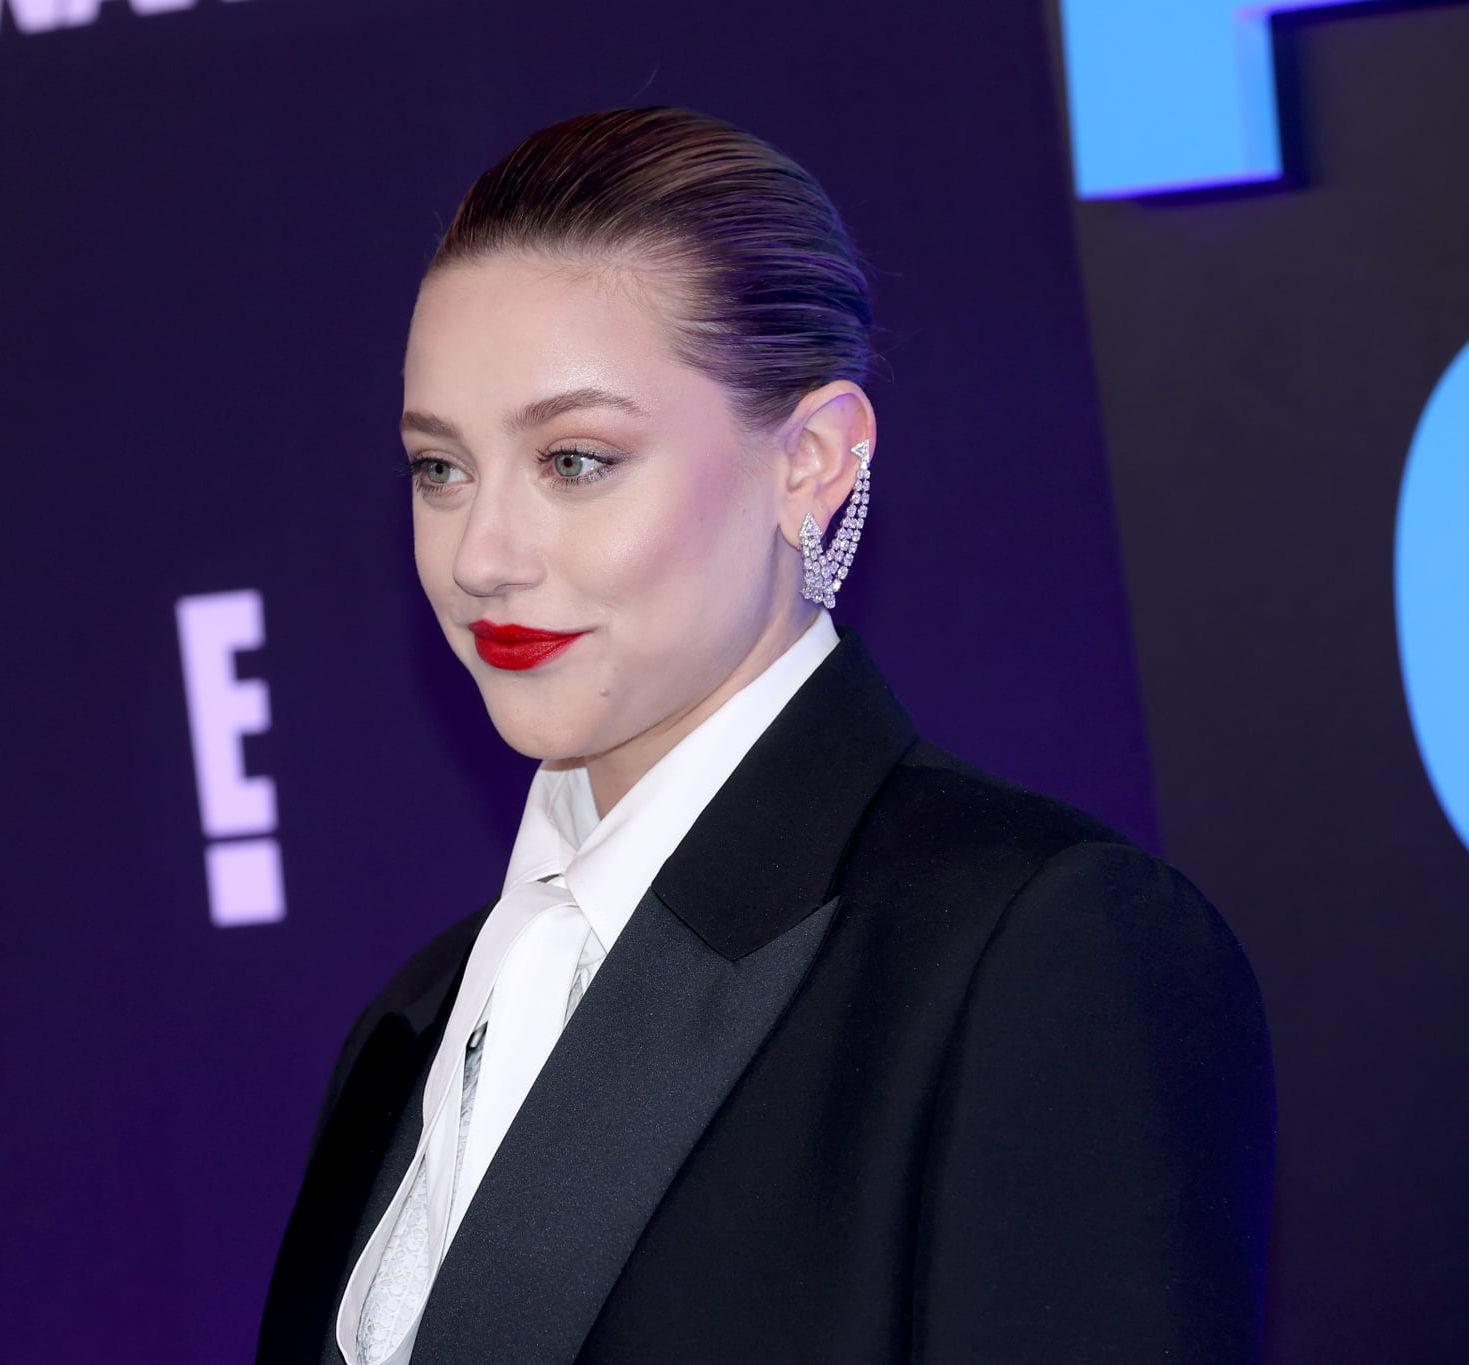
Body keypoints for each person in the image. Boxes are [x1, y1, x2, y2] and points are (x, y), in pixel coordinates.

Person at [256, 107, 1275, 1365]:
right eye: (438, 469)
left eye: (573, 460)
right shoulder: (412, 1023)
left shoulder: (1035, 951)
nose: (481, 557)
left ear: (809, 462)